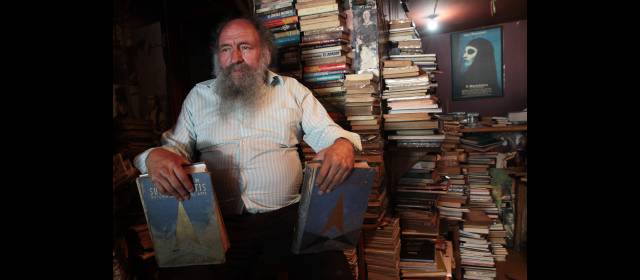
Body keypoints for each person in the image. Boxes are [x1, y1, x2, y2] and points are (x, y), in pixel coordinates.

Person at [133, 16, 361, 280]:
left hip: (288, 220)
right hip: (217, 223)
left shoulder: (291, 91)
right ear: (218, 57)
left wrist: (342, 144)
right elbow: (175, 148)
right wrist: (154, 156)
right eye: (226, 49)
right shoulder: (199, 96)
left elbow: (327, 133)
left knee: (333, 272)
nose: (235, 57)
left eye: (245, 46)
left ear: (263, 53)